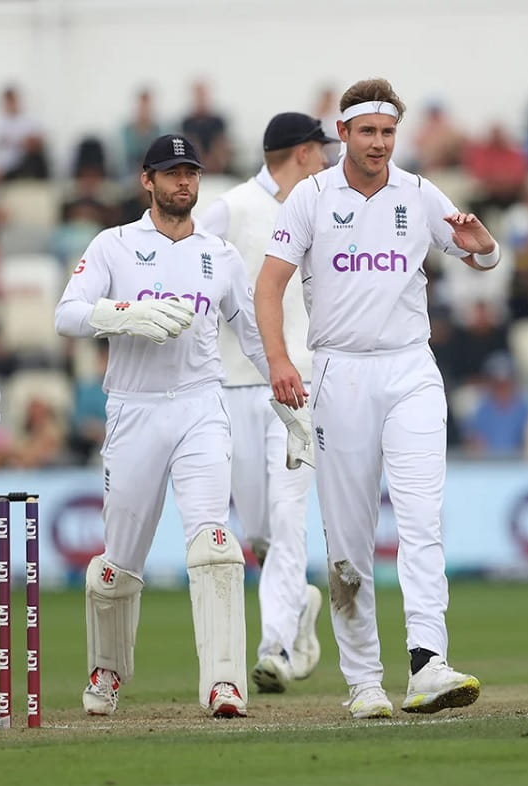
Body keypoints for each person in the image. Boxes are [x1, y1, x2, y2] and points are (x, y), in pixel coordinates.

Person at [257, 78, 499, 720]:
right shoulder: (310, 197)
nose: (379, 144)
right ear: (343, 133)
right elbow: (268, 286)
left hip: (411, 369)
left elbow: (476, 252)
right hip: (340, 374)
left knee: (421, 520)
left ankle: (428, 663)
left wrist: (485, 250)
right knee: (349, 541)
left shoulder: (418, 193)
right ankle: (364, 679)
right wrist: (281, 359)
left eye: (388, 133)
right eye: (367, 132)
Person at [55, 134, 268, 719]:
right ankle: (107, 672)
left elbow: (250, 332)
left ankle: (225, 684)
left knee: (215, 546)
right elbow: (66, 314)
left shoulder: (219, 253)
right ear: (147, 180)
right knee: (118, 565)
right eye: (172, 174)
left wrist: (287, 387)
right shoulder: (114, 245)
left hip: (201, 404)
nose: (184, 183)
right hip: (133, 408)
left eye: (191, 174)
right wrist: (127, 315)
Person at [197, 112, 338, 694]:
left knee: (286, 520)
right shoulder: (231, 208)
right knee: (256, 532)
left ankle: (274, 646)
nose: (332, 161)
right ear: (302, 153)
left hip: (299, 388)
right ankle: (298, 605)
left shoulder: (331, 206)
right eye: (323, 152)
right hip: (234, 388)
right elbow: (186, 263)